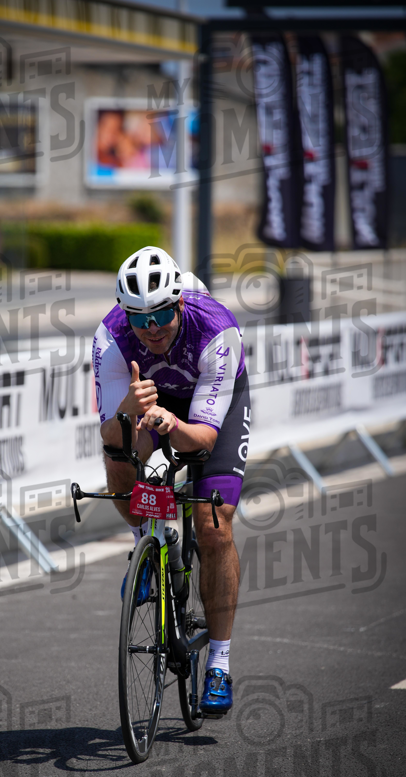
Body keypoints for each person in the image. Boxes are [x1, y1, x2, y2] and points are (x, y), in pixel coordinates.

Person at [92, 246, 251, 718]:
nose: (152, 326)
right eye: (140, 318)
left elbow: (199, 440)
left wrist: (168, 423)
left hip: (207, 409)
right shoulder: (111, 339)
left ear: (179, 303)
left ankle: (219, 662)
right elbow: (110, 435)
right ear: (125, 316)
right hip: (149, 401)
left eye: (162, 312)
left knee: (213, 525)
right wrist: (129, 410)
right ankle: (146, 539)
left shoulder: (216, 330)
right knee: (120, 451)